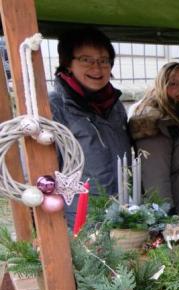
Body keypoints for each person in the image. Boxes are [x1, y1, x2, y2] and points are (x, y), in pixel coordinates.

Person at [49, 27, 131, 227]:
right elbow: (43, 175)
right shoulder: (54, 107)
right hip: (80, 219)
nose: (97, 68)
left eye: (103, 60)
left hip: (122, 213)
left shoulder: (115, 105)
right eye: (86, 60)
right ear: (67, 64)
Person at [128, 62, 179, 224]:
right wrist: (168, 219)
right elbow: (155, 179)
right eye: (173, 83)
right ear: (161, 86)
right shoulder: (155, 123)